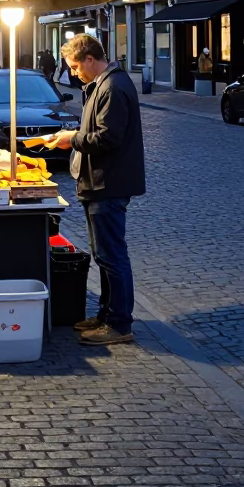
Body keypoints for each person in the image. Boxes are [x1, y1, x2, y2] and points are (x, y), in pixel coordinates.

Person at [49, 33, 145, 346]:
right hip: (99, 181)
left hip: (108, 182)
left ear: (91, 59)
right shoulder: (101, 85)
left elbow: (107, 138)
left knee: (112, 255)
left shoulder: (113, 87)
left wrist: (71, 140)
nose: (73, 73)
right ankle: (107, 314)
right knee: (104, 255)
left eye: (76, 67)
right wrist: (75, 132)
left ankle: (119, 323)